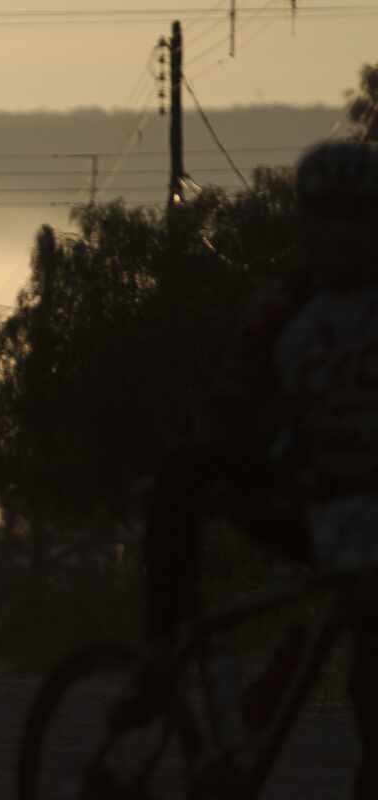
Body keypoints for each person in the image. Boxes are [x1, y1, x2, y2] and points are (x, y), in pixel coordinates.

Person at [141, 140, 378, 797]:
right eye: (323, 216)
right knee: (180, 477)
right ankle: (161, 654)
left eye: (354, 216)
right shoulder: (282, 307)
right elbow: (229, 405)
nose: (337, 232)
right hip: (304, 502)